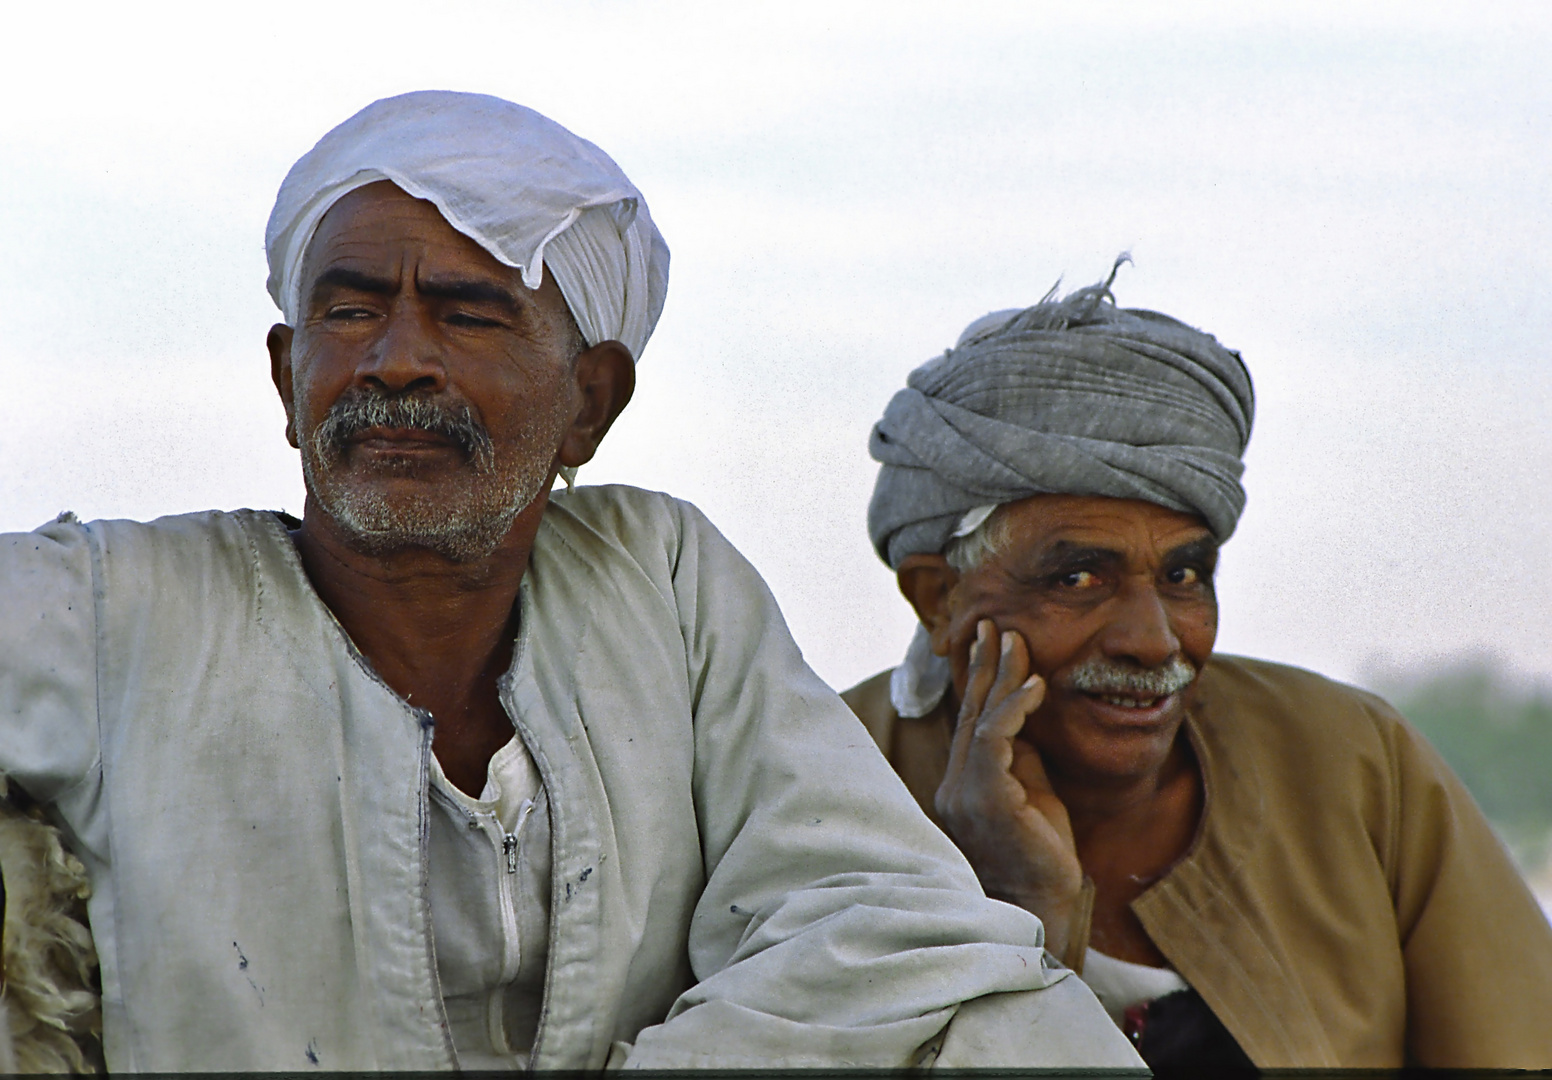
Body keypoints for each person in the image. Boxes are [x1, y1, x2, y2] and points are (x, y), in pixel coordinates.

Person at [0, 92, 1141, 1073]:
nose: (395, 359)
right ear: (287, 370)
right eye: (350, 312)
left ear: (590, 403)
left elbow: (875, 918)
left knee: (1015, 1026)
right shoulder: (114, 607)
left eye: (467, 314)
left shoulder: (663, 581)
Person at [842, 262, 1552, 1069]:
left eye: (1183, 576)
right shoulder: (823, 794)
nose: (1153, 640)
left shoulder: (1355, 766)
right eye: (1078, 578)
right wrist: (1019, 913)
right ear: (939, 599)